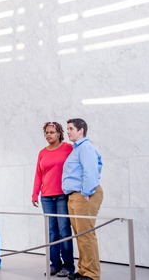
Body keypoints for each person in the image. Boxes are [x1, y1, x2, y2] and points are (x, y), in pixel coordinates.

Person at [62, 118, 103, 280]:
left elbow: (91, 171)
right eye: (67, 129)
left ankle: (92, 274)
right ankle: (83, 270)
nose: (68, 131)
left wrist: (86, 191)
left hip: (84, 195)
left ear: (81, 130)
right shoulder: (76, 149)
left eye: (71, 128)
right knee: (79, 234)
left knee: (86, 234)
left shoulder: (85, 147)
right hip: (74, 196)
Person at [32, 121, 75, 277]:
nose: (48, 135)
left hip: (63, 195)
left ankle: (69, 266)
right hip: (47, 197)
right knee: (52, 232)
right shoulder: (42, 152)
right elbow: (38, 173)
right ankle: (55, 264)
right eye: (46, 132)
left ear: (59, 133)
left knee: (64, 231)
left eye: (51, 132)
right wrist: (34, 193)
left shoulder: (68, 148)